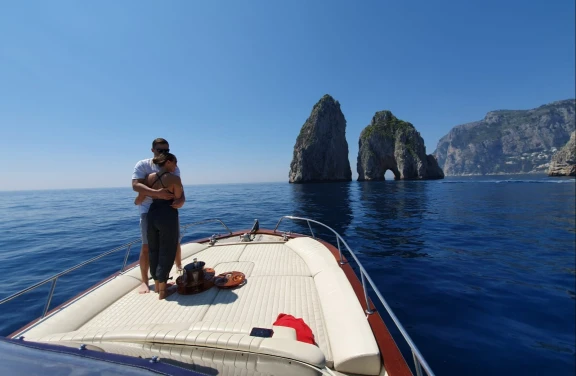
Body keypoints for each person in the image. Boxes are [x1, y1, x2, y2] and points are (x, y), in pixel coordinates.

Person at [132, 138, 185, 293]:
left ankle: (178, 267)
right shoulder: (143, 165)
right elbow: (135, 185)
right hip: (148, 210)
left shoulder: (172, 167)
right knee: (147, 246)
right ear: (153, 150)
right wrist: (156, 193)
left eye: (166, 150)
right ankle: (145, 282)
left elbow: (180, 189)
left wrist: (181, 200)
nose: (164, 153)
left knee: (174, 242)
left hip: (167, 209)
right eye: (160, 150)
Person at [144, 152, 183, 299]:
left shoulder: (149, 178)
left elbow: (144, 193)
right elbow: (177, 198)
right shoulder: (174, 178)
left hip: (152, 212)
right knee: (167, 249)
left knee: (154, 249)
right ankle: (163, 291)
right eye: (175, 163)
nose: (176, 166)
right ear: (168, 162)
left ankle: (156, 285)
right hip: (167, 213)